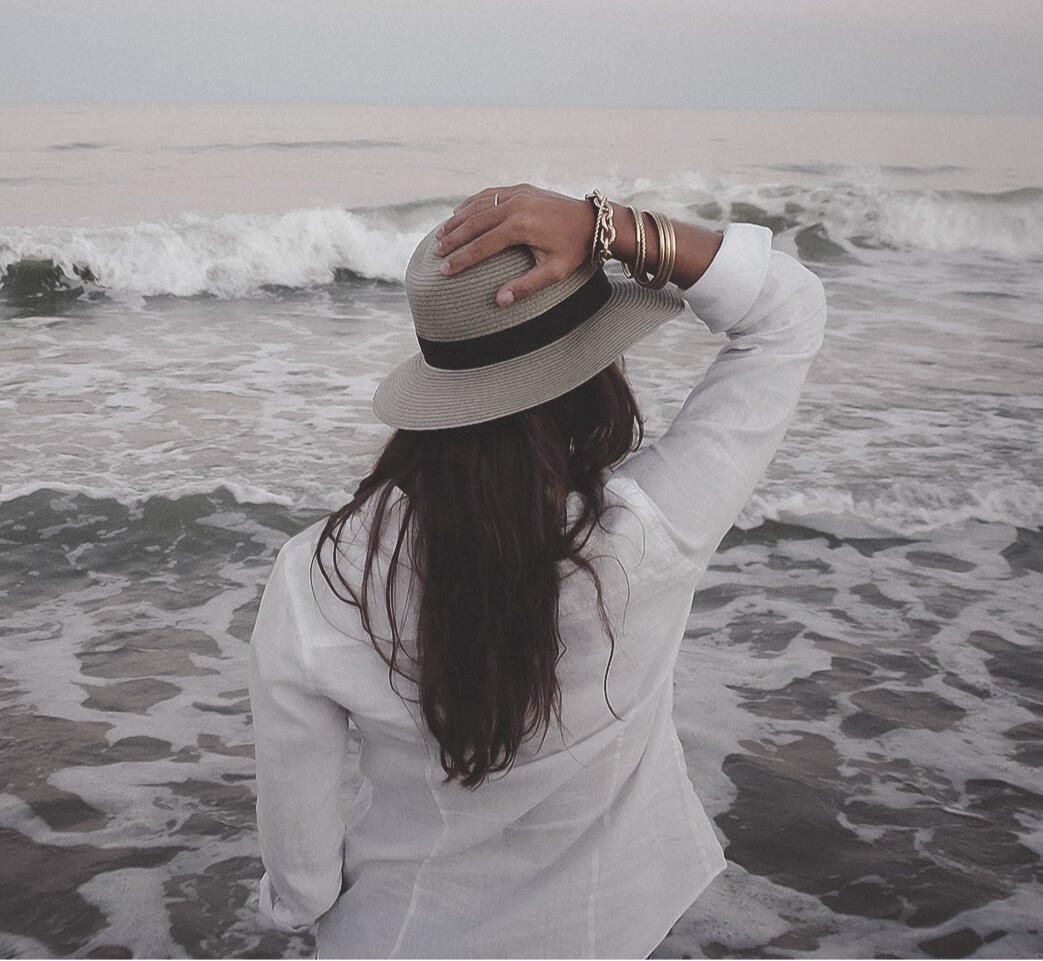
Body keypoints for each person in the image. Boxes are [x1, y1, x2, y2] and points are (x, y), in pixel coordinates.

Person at [248, 183, 827, 958]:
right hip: (607, 931)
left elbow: (304, 876)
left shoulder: (320, 577)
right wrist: (608, 227)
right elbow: (786, 312)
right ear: (594, 371)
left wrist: (291, 909)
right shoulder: (653, 529)